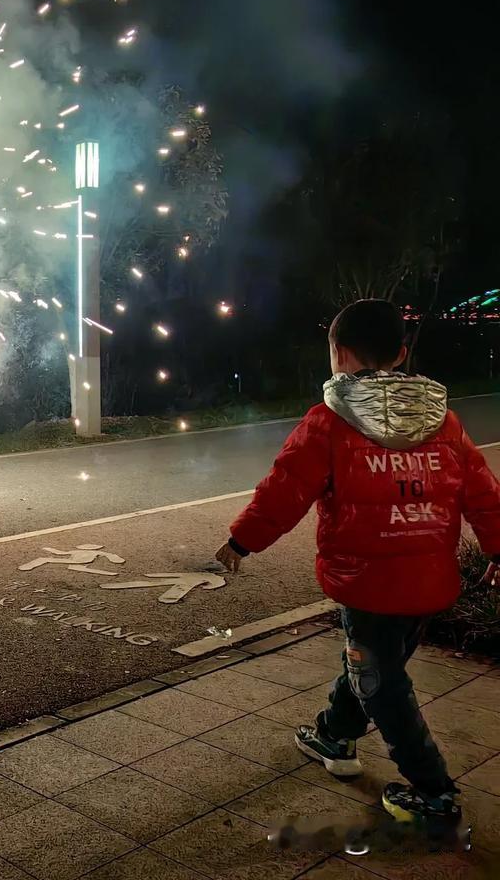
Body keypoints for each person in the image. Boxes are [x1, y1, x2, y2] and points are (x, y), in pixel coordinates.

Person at [214, 299, 500, 832]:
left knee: (379, 680)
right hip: (429, 578)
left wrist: (241, 541)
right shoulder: (445, 419)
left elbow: (284, 491)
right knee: (377, 666)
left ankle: (434, 792)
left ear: (339, 354)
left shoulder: (328, 421)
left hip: (369, 582)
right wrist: (498, 549)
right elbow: (484, 493)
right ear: (399, 353)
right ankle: (333, 734)